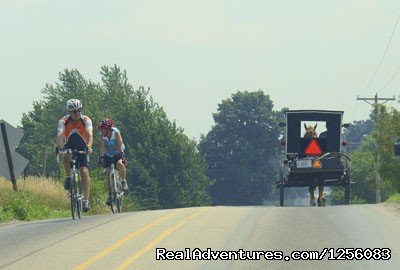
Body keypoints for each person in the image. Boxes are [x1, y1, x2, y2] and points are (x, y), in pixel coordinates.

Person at [56, 99, 93, 212]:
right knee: (66, 156)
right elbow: (60, 134)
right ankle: (68, 176)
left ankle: (86, 200)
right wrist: (58, 146)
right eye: (74, 111)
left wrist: (89, 146)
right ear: (69, 112)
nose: (77, 113)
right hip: (69, 144)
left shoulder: (85, 120)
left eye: (79, 110)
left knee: (84, 172)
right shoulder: (63, 121)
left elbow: (90, 134)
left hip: (82, 145)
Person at [97, 118, 128, 205]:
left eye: (102, 129)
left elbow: (120, 145)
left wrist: (122, 156)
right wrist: (101, 157)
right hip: (108, 154)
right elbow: (102, 147)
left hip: (118, 153)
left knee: (120, 164)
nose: (101, 131)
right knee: (107, 172)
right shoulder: (102, 135)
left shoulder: (116, 133)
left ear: (108, 129)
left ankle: (123, 181)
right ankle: (110, 195)